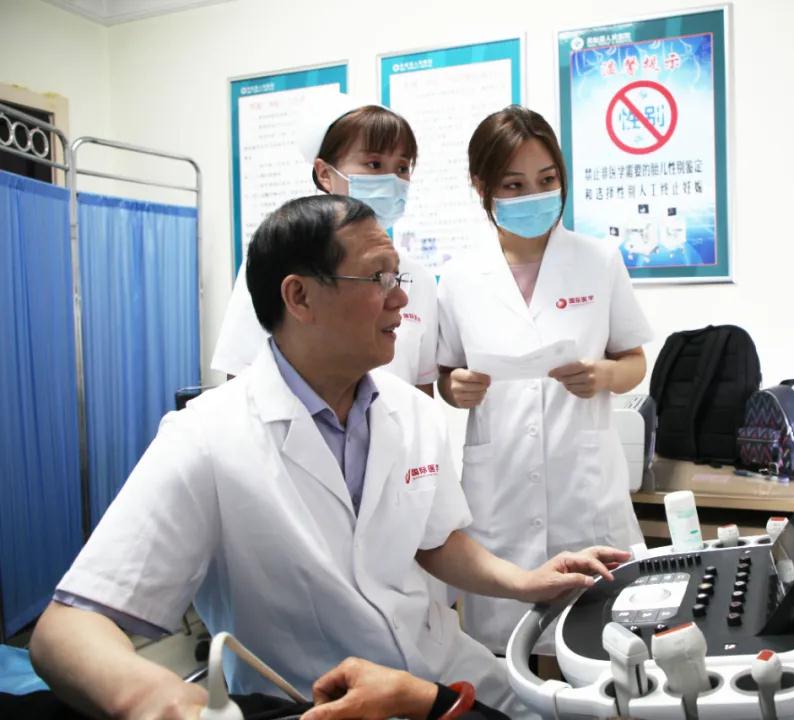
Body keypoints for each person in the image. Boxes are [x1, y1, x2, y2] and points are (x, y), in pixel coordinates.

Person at [29, 194, 628, 719]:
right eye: (378, 279)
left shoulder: (411, 411)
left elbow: (435, 541)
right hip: (314, 702)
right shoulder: (205, 439)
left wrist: (525, 582)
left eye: (398, 277)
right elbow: (65, 630)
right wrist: (157, 699)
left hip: (447, 678)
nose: (401, 299)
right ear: (300, 296)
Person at [436, 106, 653, 653]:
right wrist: (455, 388)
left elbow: (635, 362)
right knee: (506, 659)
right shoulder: (460, 277)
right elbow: (444, 375)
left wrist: (603, 374)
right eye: (514, 184)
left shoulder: (599, 260)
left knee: (602, 652)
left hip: (585, 491)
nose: (534, 195)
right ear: (481, 187)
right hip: (500, 496)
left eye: (547, 179)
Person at [212, 94, 439, 396]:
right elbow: (239, 378)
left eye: (402, 168)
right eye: (374, 164)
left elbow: (422, 395)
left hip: (390, 426)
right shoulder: (280, 261)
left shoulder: (417, 279)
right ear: (324, 174)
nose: (392, 180)